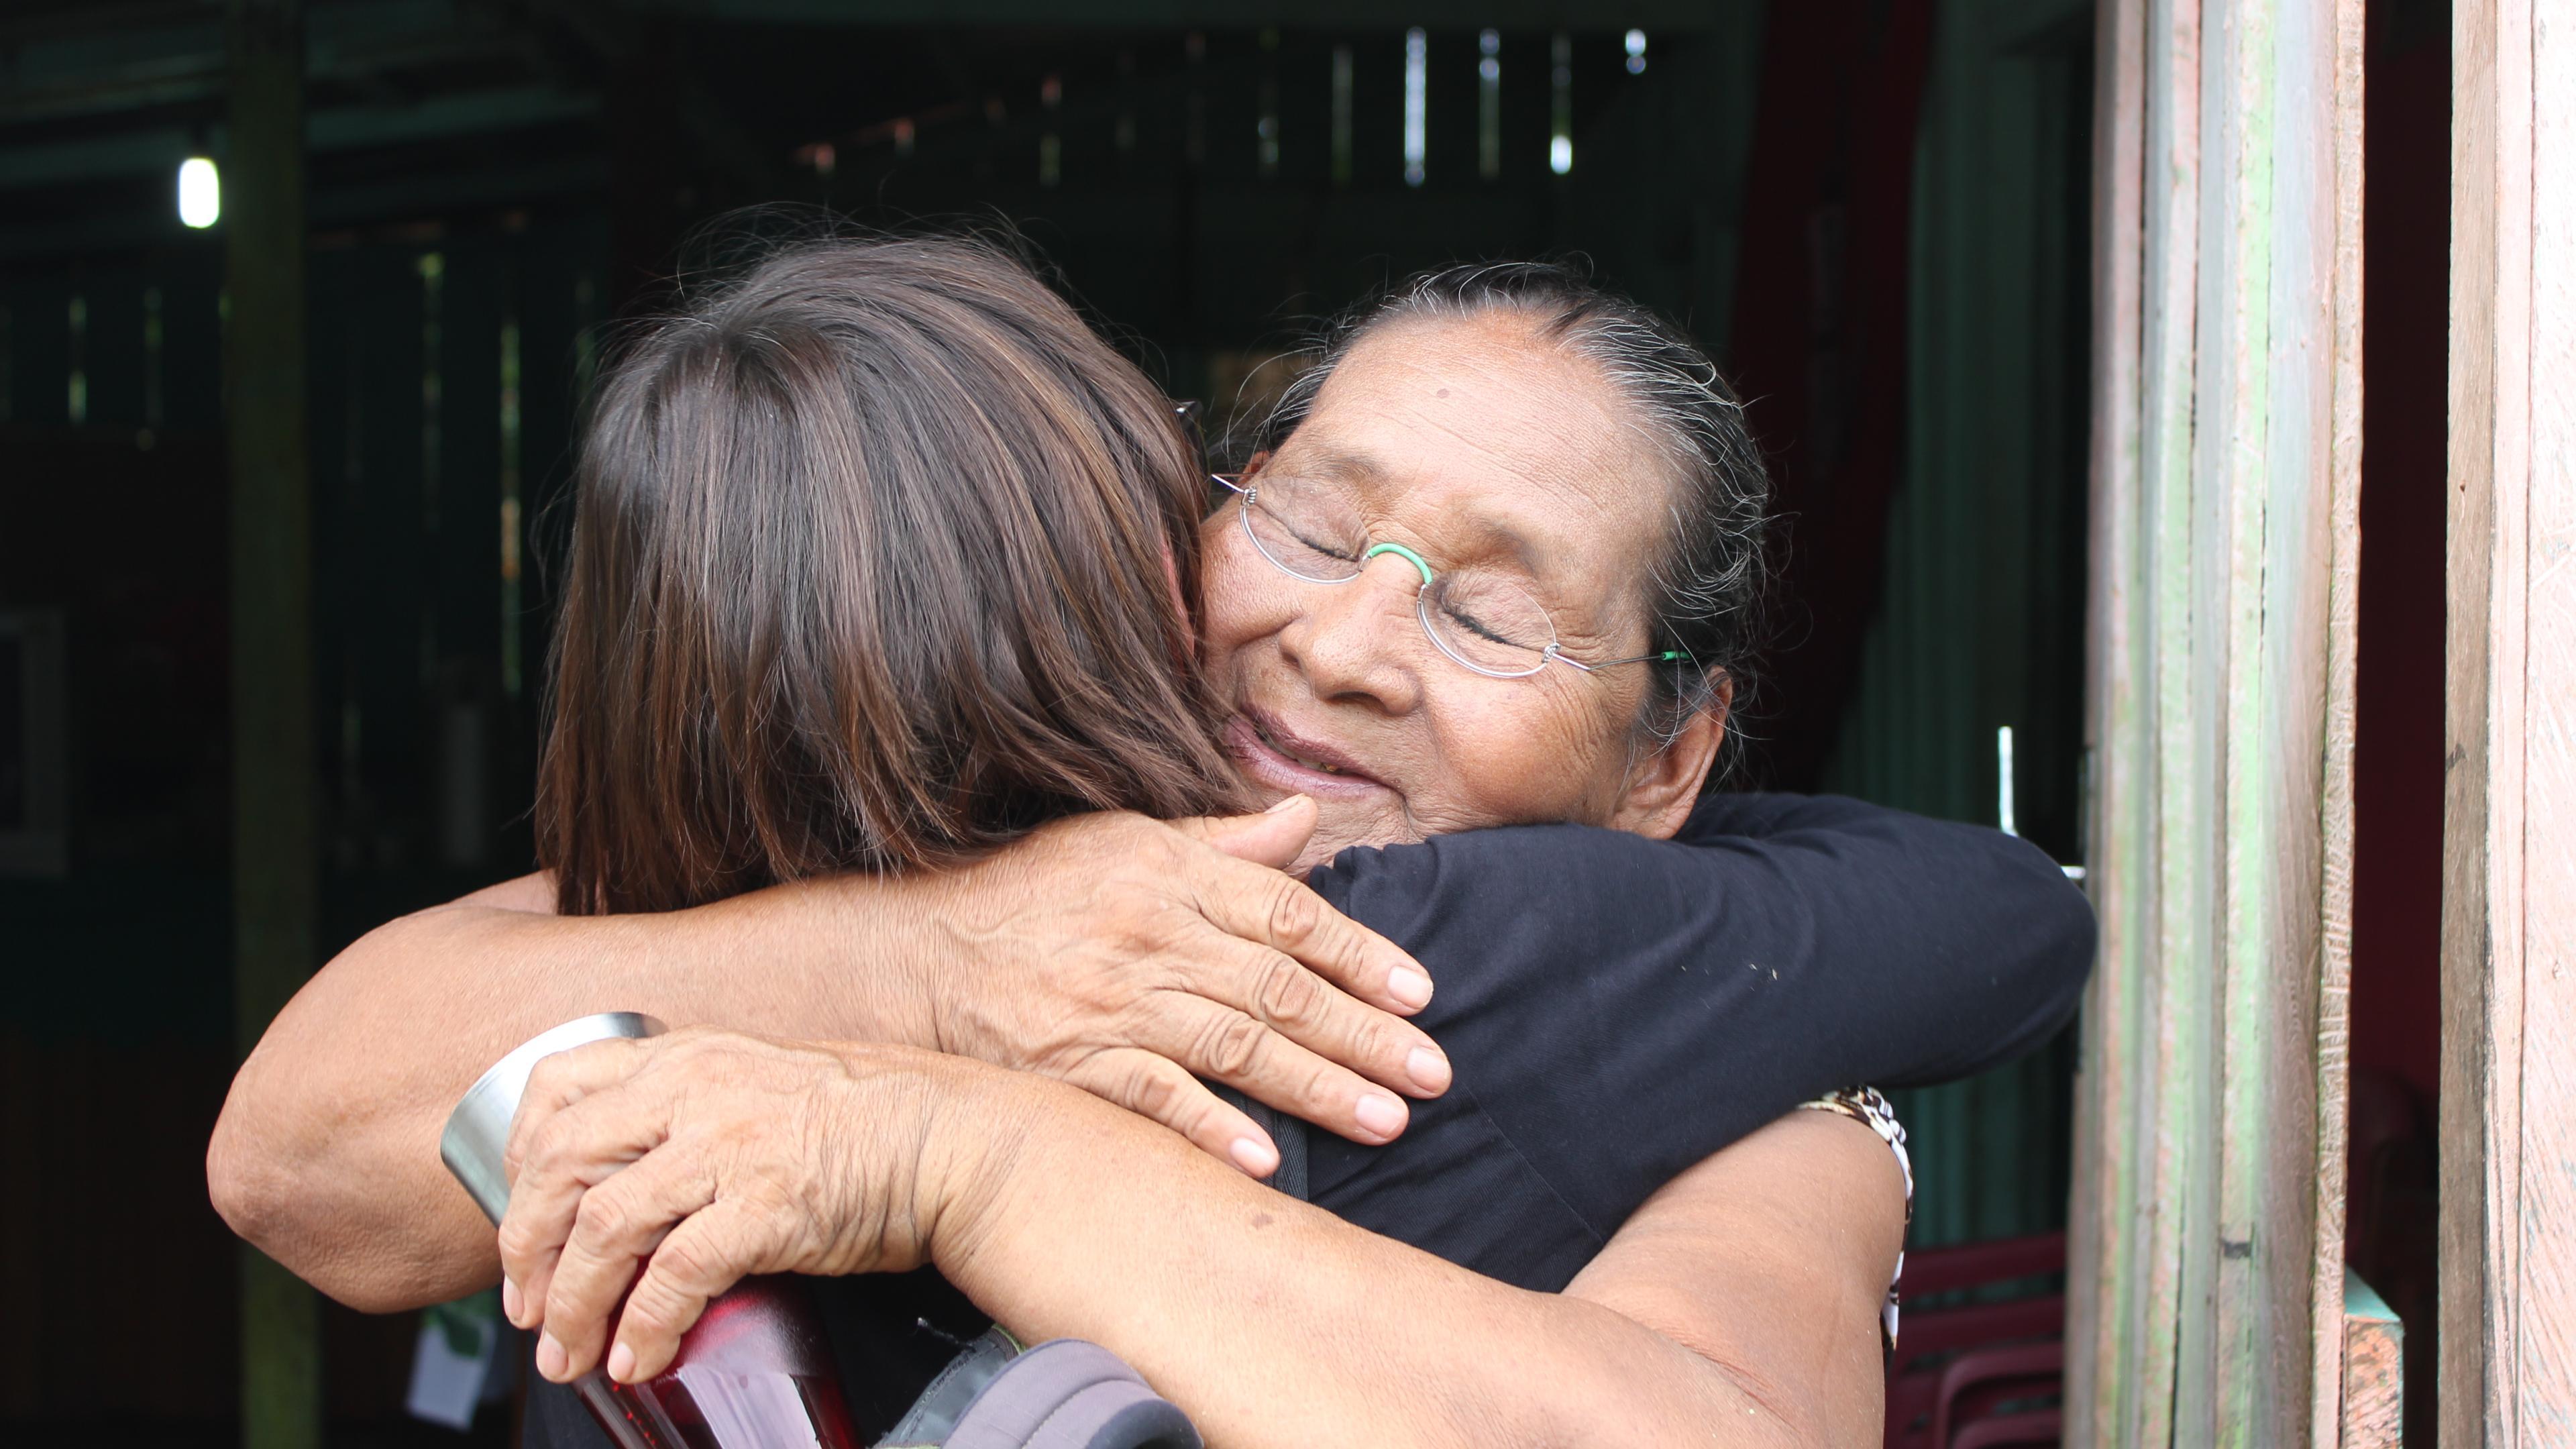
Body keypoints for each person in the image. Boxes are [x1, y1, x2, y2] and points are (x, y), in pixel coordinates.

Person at [209, 237, 2090, 1442]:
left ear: (1671, 758)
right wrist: (947, 955)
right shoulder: (926, 849)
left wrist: (969, 1152)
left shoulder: (1759, 1077)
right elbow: (303, 1149)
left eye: (1491, 613)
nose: (1348, 648)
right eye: (1308, 522)